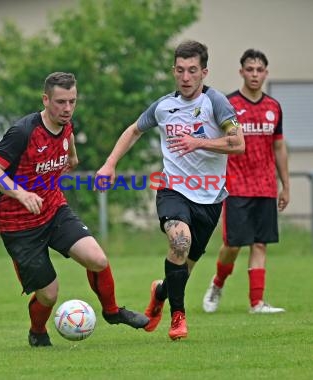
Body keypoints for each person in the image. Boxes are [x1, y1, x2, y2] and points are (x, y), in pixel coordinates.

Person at [0, 72, 149, 348]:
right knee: (49, 294)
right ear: (45, 100)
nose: (67, 108)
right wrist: (19, 193)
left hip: (54, 209)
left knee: (97, 259)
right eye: (60, 102)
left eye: (72, 101)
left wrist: (70, 159)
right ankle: (37, 331)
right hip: (18, 224)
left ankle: (112, 312)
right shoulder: (24, 131)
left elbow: (69, 154)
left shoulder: (66, 126)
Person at [95, 40, 245, 340]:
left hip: (210, 196)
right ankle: (179, 318)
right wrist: (109, 164)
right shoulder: (164, 106)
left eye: (192, 70)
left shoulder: (216, 103)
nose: (186, 77)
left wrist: (199, 142)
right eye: (180, 70)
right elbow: (134, 130)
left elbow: (239, 143)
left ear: (204, 72)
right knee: (179, 241)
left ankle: (160, 292)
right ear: (173, 71)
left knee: (183, 268)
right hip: (173, 189)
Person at [202, 49, 289, 314]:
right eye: (249, 69)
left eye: (259, 70)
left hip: (265, 186)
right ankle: (217, 284)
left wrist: (286, 184)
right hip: (236, 185)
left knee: (260, 243)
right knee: (233, 245)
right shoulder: (228, 105)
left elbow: (279, 148)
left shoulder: (273, 107)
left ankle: (257, 303)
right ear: (241, 72)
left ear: (266, 73)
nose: (254, 74)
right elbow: (215, 142)